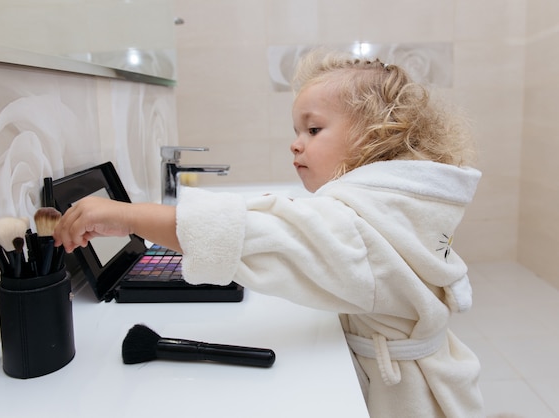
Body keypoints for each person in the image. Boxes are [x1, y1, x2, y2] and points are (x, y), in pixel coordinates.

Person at [54, 48, 484, 417]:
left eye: (313, 130)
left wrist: (128, 217)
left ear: (377, 138)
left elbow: (251, 236)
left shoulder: (360, 230)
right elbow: (297, 235)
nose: (296, 144)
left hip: (404, 399)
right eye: (297, 131)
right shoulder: (392, 210)